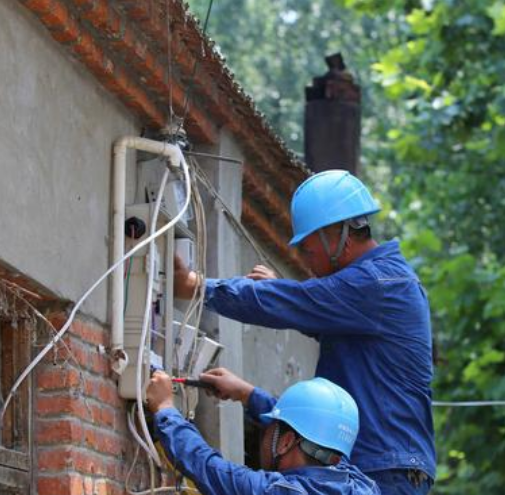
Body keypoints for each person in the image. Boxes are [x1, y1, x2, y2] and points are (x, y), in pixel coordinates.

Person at [176, 169, 436, 495]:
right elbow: (304, 307)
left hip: (383, 466)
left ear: (335, 234)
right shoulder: (380, 286)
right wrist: (246, 393)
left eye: (308, 249)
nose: (306, 260)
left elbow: (296, 303)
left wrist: (196, 287)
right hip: (385, 464)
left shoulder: (379, 285)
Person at [146, 369, 380, 495]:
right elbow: (319, 428)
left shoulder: (277, 491)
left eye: (271, 427)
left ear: (285, 442)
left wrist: (165, 408)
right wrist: (246, 394)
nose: (265, 432)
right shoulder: (362, 485)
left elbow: (205, 464)